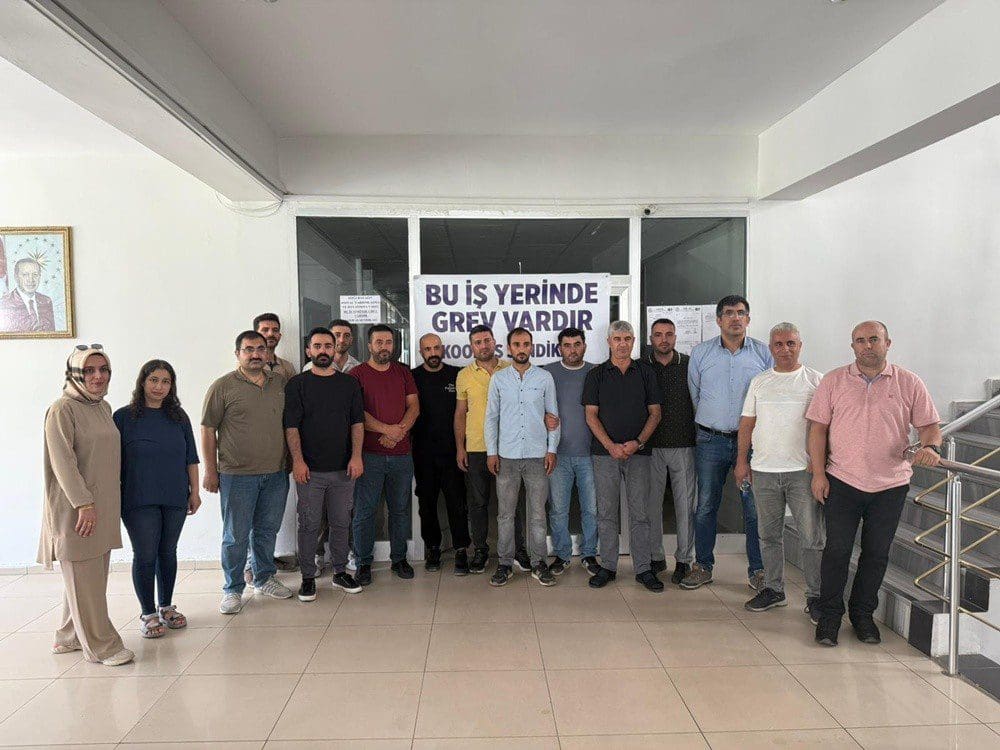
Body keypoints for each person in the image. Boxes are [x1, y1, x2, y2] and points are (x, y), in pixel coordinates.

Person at [807, 321, 941, 647]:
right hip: (843, 481)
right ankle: (829, 618)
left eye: (873, 339)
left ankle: (863, 615)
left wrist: (931, 447)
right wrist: (819, 474)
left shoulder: (909, 382)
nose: (867, 345)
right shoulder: (834, 380)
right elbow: (818, 429)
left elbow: (929, 426)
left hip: (890, 485)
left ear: (887, 343)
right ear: (852, 346)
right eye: (860, 340)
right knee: (837, 551)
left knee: (877, 553)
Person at [39, 345, 133, 666]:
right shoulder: (62, 409)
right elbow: (62, 463)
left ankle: (68, 637)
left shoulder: (102, 407)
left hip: (101, 506)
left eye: (103, 370)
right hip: (77, 510)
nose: (98, 376)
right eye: (89, 371)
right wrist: (83, 503)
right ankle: (102, 647)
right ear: (74, 374)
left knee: (88, 579)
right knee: (85, 578)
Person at [682, 295, 773, 591]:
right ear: (719, 320)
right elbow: (695, 395)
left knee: (753, 508)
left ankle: (758, 570)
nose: (735, 318)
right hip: (711, 440)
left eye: (741, 313)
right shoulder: (701, 353)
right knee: (706, 505)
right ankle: (703, 566)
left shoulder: (763, 353)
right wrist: (714, 420)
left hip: (752, 443)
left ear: (748, 319)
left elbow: (769, 397)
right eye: (729, 313)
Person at [734, 323, 825, 616]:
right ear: (771, 348)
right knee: (769, 535)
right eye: (778, 344)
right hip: (763, 471)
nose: (785, 349)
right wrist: (741, 462)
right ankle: (774, 589)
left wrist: (820, 466)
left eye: (790, 343)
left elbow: (827, 427)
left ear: (800, 345)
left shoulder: (816, 381)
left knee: (811, 538)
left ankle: (816, 596)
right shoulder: (760, 382)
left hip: (803, 472)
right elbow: (747, 424)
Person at [202, 330, 293, 614]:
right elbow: (208, 429)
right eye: (249, 349)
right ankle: (232, 589)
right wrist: (210, 471)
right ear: (238, 353)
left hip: (275, 473)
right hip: (236, 475)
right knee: (235, 535)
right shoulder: (223, 386)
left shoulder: (279, 383)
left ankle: (264, 578)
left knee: (267, 531)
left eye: (260, 349)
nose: (255, 354)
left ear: (267, 352)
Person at [114, 360, 202, 638]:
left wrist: (195, 491)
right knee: (145, 554)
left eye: (165, 381)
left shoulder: (179, 417)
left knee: (168, 552)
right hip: (138, 497)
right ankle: (148, 613)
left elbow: (191, 457)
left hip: (174, 494)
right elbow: (111, 461)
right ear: (142, 382)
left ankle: (166, 606)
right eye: (154, 380)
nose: (159, 387)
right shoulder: (123, 417)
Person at [284, 327, 365, 601]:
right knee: (309, 524)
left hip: (344, 470)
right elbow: (291, 426)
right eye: (317, 346)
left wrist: (356, 456)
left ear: (334, 349)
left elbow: (357, 423)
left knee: (342, 523)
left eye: (328, 346)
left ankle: (340, 572)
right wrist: (298, 461)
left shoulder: (349, 384)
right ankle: (308, 577)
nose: (323, 351)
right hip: (310, 471)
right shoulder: (297, 384)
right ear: (309, 350)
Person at [583, 321, 664, 592]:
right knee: (606, 513)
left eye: (627, 338)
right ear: (609, 342)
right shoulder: (596, 375)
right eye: (617, 339)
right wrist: (611, 446)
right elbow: (590, 415)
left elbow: (655, 413)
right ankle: (608, 566)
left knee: (640, 513)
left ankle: (643, 569)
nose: (622, 344)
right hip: (605, 454)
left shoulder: (646, 372)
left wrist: (638, 442)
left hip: (639, 454)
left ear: (633, 341)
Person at [485, 328, 560, 587]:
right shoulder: (499, 379)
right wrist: (492, 452)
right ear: (509, 348)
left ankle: (539, 563)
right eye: (516, 344)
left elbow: (553, 417)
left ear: (531, 347)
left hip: (538, 456)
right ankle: (505, 564)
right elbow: (491, 418)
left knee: (538, 514)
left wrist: (552, 449)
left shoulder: (544, 378)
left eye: (526, 344)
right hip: (507, 456)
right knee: (505, 515)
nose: (521, 348)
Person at [455, 325, 530, 575]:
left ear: (494, 341)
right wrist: (460, 447)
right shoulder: (464, 375)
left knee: (512, 503)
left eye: (487, 340)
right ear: (472, 347)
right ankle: (481, 550)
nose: (483, 345)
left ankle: (518, 550)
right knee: (478, 504)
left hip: (508, 447)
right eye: (478, 342)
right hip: (476, 448)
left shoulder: (511, 369)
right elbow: (460, 414)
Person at [349, 324, 420, 585]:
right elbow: (356, 412)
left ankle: (399, 559)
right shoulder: (357, 374)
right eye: (378, 342)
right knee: (365, 511)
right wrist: (387, 430)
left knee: (400, 510)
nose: (384, 347)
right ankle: (363, 563)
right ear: (369, 345)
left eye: (388, 342)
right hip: (369, 455)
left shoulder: (403, 372)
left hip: (402, 455)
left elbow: (414, 406)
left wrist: (398, 432)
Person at [411, 333, 471, 574]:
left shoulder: (457, 375)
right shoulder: (412, 377)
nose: (433, 353)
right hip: (423, 453)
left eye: (436, 348)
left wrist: (462, 447)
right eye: (427, 349)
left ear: (442, 349)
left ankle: (461, 550)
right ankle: (433, 548)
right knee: (427, 504)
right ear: (421, 352)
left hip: (453, 452)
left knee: (457, 503)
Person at [646, 318, 698, 585]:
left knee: (685, 506)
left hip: (683, 444)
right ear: (651, 339)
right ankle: (656, 557)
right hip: (650, 447)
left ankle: (684, 560)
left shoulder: (689, 365)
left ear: (675, 337)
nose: (663, 339)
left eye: (668, 334)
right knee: (652, 506)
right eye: (658, 335)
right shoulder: (642, 366)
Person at [544, 327, 599, 575]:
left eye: (577, 344)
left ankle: (589, 554)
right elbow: (533, 406)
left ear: (584, 346)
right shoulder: (547, 373)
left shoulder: (596, 372)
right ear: (560, 348)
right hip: (558, 454)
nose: (572, 350)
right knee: (558, 510)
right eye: (567, 345)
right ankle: (562, 555)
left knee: (591, 509)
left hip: (590, 454)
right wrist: (542, 418)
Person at [0, 257, 56, 332]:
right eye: (25, 274)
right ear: (16, 277)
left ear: (40, 276)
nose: (31, 280)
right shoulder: (5, 302)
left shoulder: (46, 301)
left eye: (35, 274)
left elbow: (52, 332)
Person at [254, 312, 297, 382]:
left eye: (275, 330)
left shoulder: (288, 367)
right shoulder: (247, 365)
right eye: (265, 330)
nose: (271, 334)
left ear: (279, 336)